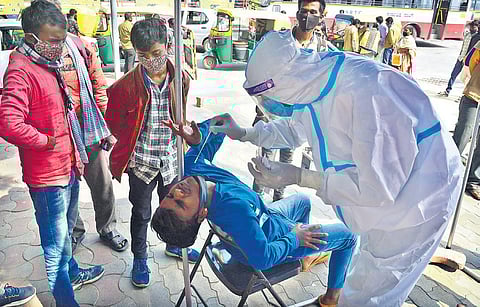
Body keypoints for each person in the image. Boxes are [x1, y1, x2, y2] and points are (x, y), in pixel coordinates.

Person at [209, 30, 463, 306]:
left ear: (284, 81)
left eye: (267, 96)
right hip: (381, 206)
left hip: (416, 208)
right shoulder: (311, 83)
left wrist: (301, 176)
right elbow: (294, 130)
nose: (268, 105)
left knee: (374, 294)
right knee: (365, 272)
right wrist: (244, 132)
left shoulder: (368, 93)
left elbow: (377, 189)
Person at [151, 119, 358, 306]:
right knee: (350, 235)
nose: (178, 191)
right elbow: (263, 259)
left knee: (302, 201)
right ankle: (330, 298)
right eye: (181, 204)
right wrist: (295, 238)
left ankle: (305, 258)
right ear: (201, 214)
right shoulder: (235, 211)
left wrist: (199, 137)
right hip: (275, 237)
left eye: (170, 196)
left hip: (268, 217)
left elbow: (219, 121)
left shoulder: (192, 170)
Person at [0, 1, 105, 306]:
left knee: (66, 235)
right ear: (32, 38)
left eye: (63, 38)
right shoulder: (21, 69)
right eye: (55, 41)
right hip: (47, 176)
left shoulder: (46, 61)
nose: (62, 47)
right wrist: (45, 141)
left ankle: (71, 273)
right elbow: (8, 122)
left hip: (68, 165)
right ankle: (65, 300)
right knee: (55, 246)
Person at [105, 18, 198, 288]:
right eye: (142, 56)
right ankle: (140, 258)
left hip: (170, 160)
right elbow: (113, 122)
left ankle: (173, 245)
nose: (151, 61)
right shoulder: (125, 87)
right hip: (142, 164)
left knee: (173, 209)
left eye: (156, 54)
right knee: (142, 213)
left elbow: (181, 113)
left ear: (168, 47)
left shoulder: (180, 78)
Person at [58, 6, 128, 252]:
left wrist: (107, 127)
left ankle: (108, 227)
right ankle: (75, 231)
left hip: (87, 128)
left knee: (102, 183)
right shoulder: (30, 54)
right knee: (66, 186)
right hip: (57, 134)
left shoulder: (81, 47)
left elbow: (99, 87)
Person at [453, 41, 480, 200]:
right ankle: (447, 173)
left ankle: (473, 181)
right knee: (463, 134)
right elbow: (469, 61)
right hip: (474, 95)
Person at [440, 21, 478, 97]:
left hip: (468, 61)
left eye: (474, 27)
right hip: (461, 58)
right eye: (471, 27)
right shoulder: (467, 34)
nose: (472, 28)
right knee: (453, 74)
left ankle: (463, 95)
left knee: (466, 79)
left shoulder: (477, 37)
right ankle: (448, 90)